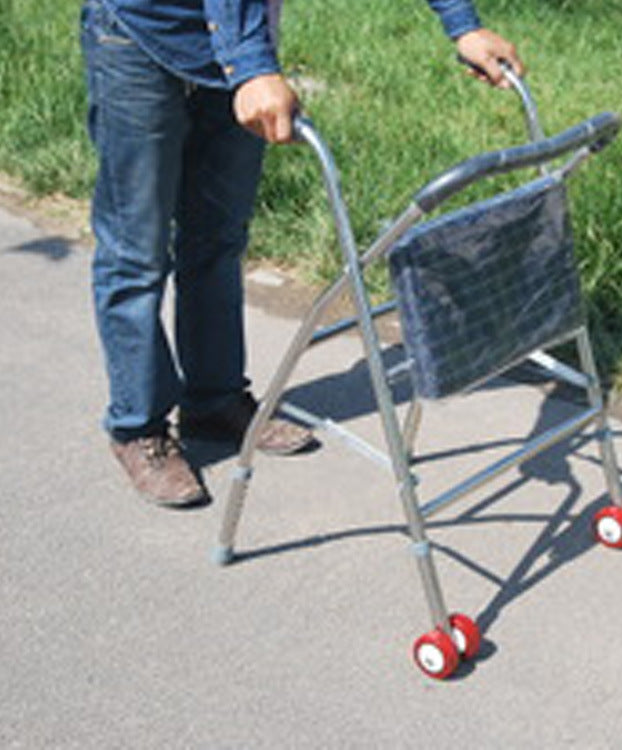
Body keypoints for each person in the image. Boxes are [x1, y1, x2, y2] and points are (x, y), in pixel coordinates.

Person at [79, 0, 524, 508]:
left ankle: (214, 399)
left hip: (235, 41)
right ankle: (138, 426)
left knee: (219, 237)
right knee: (136, 250)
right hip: (139, 34)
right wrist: (252, 67)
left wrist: (462, 25)